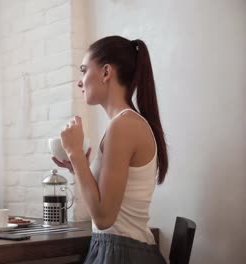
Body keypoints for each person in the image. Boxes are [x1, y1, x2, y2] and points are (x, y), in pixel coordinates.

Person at [52, 36, 168, 264]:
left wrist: (76, 154)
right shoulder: (122, 124)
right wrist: (78, 167)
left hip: (123, 254)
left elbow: (104, 217)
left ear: (106, 72)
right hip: (115, 249)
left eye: (84, 70)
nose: (79, 82)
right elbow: (109, 203)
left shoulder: (123, 125)